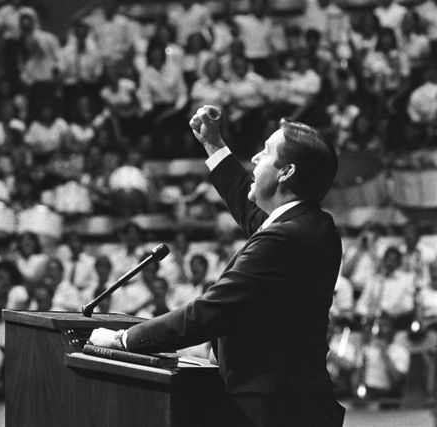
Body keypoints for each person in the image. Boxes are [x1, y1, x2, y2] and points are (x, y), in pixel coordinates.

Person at [89, 105, 345, 426]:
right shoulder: (313, 225)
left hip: (274, 409)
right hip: (298, 400)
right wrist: (213, 145)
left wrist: (123, 340)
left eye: (265, 154)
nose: (253, 159)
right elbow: (253, 213)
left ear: (286, 172)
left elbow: (210, 312)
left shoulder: (283, 238)